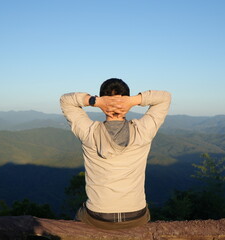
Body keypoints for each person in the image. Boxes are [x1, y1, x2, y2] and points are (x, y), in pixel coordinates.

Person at [60, 78, 171, 229]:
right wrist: (132, 101)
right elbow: (165, 98)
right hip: (136, 215)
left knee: (77, 220)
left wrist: (96, 101)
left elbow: (66, 101)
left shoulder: (89, 133)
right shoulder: (143, 131)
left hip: (97, 216)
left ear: (102, 99)